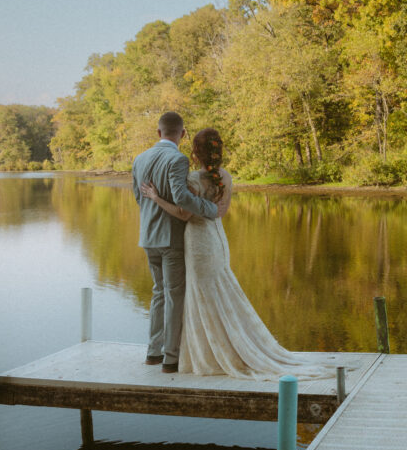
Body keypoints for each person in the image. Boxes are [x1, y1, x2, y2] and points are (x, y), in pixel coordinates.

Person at [139, 128, 334, 380]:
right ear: (218, 152)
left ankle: (209, 351)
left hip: (198, 242)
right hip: (217, 239)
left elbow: (183, 214)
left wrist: (155, 197)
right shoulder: (227, 178)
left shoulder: (193, 180)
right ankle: (230, 344)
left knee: (202, 295)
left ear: (195, 153)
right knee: (220, 291)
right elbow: (220, 213)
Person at [131, 111, 221, 373]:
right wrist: (210, 209)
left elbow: (138, 197)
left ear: (159, 132)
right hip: (170, 235)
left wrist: (153, 211)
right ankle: (171, 358)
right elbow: (182, 198)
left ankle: (153, 351)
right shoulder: (178, 159)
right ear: (182, 134)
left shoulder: (140, 158)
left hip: (148, 236)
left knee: (158, 292)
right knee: (174, 295)